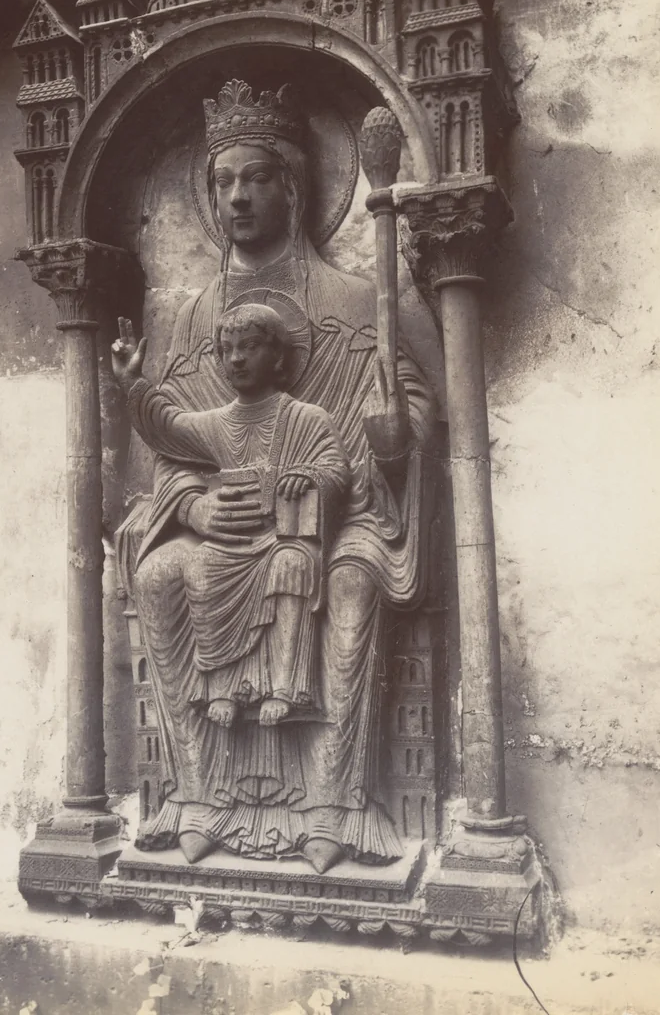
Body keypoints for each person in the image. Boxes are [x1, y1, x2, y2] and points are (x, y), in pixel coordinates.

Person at [116, 79, 437, 873]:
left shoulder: (357, 301)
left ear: (292, 187)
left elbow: (408, 412)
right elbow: (168, 446)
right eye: (221, 182)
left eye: (254, 178)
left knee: (352, 579)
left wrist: (394, 433)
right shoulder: (192, 323)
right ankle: (198, 798)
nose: (235, 197)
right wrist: (191, 507)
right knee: (157, 572)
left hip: (334, 515)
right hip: (225, 527)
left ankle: (333, 808)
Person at [110, 304, 349, 729]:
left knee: (291, 566)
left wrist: (307, 476)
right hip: (233, 542)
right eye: (226, 349)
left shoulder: (308, 419)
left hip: (284, 539)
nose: (236, 358)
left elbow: (337, 471)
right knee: (201, 565)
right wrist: (132, 381)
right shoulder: (218, 423)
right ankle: (222, 686)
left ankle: (286, 689)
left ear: (277, 357)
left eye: (250, 346)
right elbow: (167, 427)